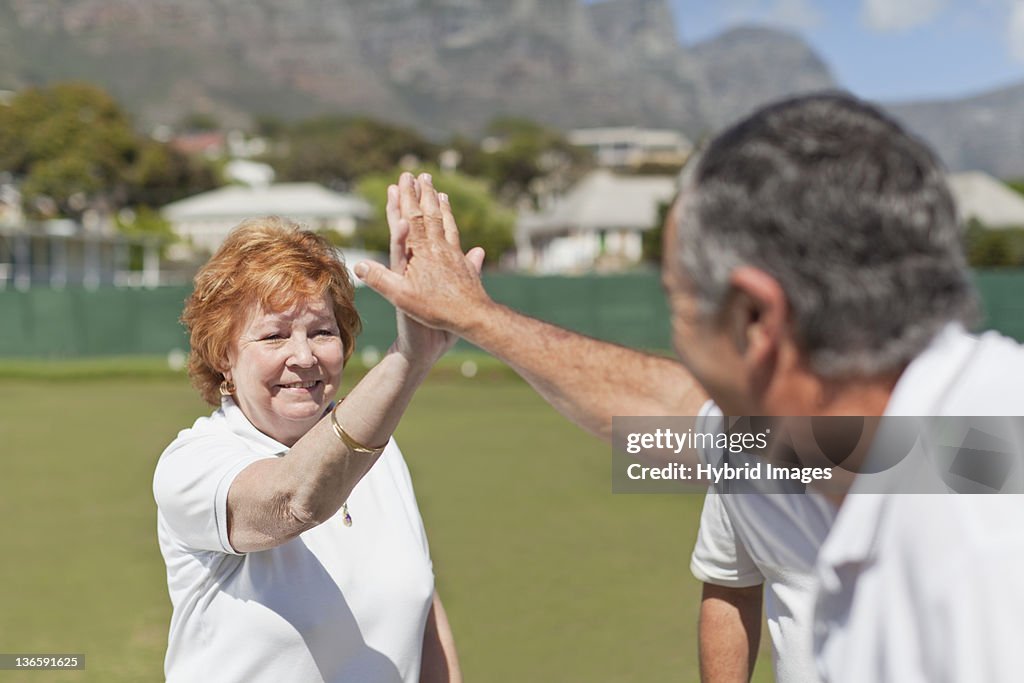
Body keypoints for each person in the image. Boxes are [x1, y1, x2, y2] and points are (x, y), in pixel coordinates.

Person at [355, 92, 1024, 682]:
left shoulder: (988, 506)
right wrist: (477, 317)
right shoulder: (826, 441)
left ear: (756, 319)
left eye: (676, 297)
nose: (675, 336)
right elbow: (665, 411)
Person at [153, 216, 482, 682]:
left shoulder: (382, 452)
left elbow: (423, 609)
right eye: (274, 335)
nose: (304, 356)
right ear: (223, 354)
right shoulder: (193, 463)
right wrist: (410, 357)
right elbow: (293, 502)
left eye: (322, 332)